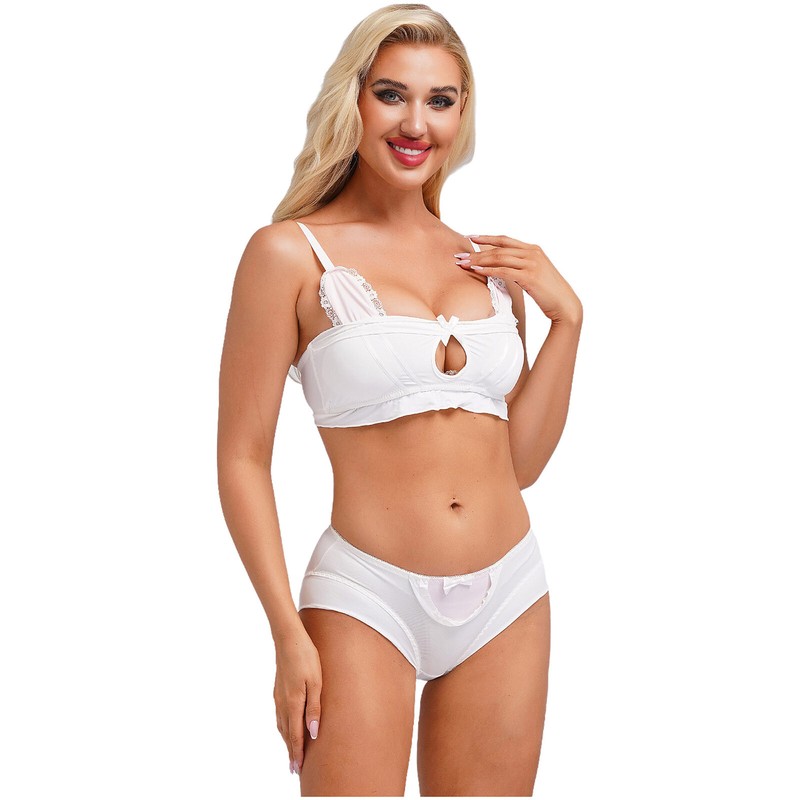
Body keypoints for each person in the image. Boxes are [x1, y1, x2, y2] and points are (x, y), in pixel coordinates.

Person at [217, 3, 582, 795]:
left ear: (462, 113)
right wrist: (285, 632)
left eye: (440, 100)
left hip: (511, 590)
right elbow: (242, 457)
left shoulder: (487, 264)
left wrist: (569, 322)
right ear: (353, 100)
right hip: (365, 595)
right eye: (392, 94)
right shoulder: (288, 254)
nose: (417, 123)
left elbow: (518, 465)